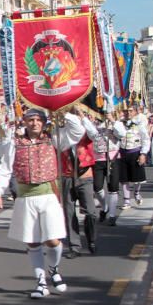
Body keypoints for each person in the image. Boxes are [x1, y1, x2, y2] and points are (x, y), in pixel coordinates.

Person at [0, 108, 67, 299]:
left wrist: (65, 110)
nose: (34, 123)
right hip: (25, 197)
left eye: (38, 120)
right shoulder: (14, 144)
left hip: (48, 195)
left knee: (53, 239)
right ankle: (41, 282)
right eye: (30, 120)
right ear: (24, 122)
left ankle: (54, 268)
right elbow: (3, 169)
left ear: (44, 122)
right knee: (33, 242)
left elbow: (75, 132)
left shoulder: (53, 139)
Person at [57, 106, 99, 256]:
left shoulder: (84, 129)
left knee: (91, 212)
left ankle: (91, 239)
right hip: (67, 176)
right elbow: (58, 144)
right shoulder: (60, 131)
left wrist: (82, 117)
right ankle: (74, 246)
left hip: (84, 176)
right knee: (68, 212)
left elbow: (94, 134)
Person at [93, 116, 127, 226]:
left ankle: (112, 215)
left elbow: (122, 134)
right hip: (97, 159)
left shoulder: (116, 123)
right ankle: (105, 207)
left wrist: (112, 120)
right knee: (97, 187)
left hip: (113, 158)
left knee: (113, 188)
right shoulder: (93, 123)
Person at [118, 107, 150, 209]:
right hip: (122, 153)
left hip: (135, 152)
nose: (128, 112)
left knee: (137, 179)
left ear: (136, 112)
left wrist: (143, 154)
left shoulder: (140, 125)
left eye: (131, 111)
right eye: (127, 110)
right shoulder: (120, 124)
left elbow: (146, 140)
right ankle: (126, 201)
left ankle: (136, 193)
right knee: (124, 179)